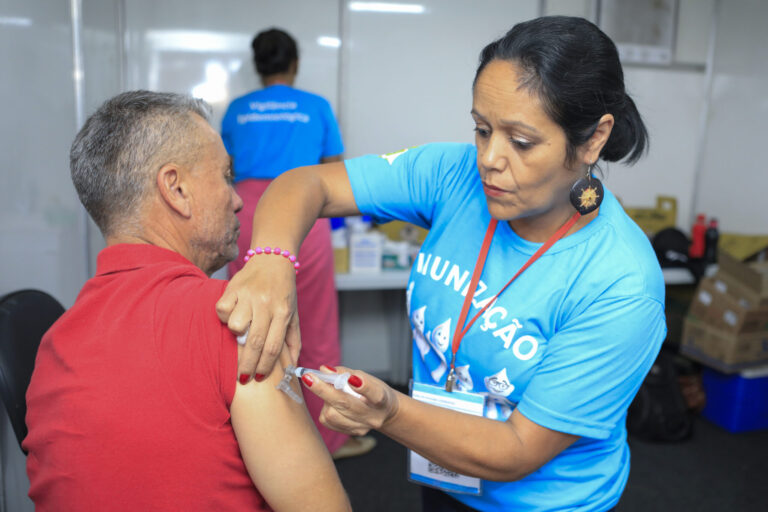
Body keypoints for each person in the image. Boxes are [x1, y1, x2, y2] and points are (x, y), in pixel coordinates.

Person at [219, 15, 667, 512]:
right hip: (442, 472)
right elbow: (306, 183)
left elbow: (517, 450)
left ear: (592, 140)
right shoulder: (452, 175)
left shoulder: (621, 284)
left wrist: (388, 411)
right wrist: (271, 261)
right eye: (481, 129)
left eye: (521, 142)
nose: (490, 158)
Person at [23, 91, 351, 512]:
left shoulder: (54, 343)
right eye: (226, 176)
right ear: (176, 189)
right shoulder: (233, 320)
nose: (237, 200)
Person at [221, 27, 372, 458]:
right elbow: (334, 173)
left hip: (247, 215)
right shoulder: (316, 107)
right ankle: (329, 440)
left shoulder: (236, 111)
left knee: (248, 324)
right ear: (295, 64)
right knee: (316, 325)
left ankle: (254, 441)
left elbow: (224, 169)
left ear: (258, 65)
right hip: (303, 213)